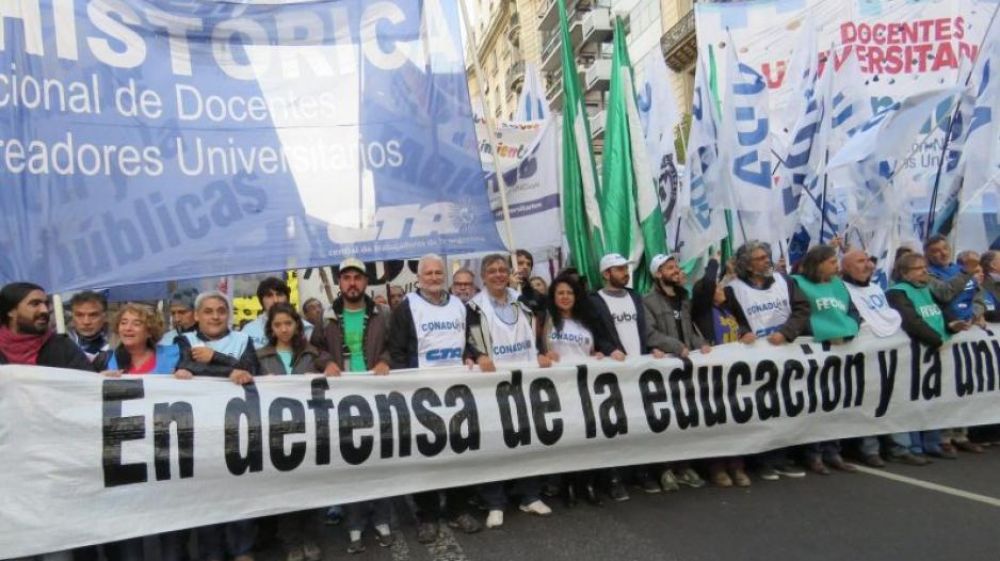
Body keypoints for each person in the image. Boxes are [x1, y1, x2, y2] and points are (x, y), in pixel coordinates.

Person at [387, 254, 488, 543]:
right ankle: (427, 516)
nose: (433, 277)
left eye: (438, 272)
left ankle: (458, 509)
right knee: (427, 457)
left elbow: (469, 341)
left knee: (459, 452)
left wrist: (473, 356)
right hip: (422, 395)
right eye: (428, 273)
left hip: (457, 393)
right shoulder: (407, 307)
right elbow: (396, 352)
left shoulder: (459, 306)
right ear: (419, 277)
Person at [308, 258, 395, 553]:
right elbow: (315, 348)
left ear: (365, 282)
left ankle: (382, 519)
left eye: (357, 277)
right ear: (340, 282)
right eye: (346, 277)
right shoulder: (327, 316)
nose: (352, 283)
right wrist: (328, 362)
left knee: (379, 460)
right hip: (342, 398)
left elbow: (395, 346)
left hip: (376, 395)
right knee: (351, 460)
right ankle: (355, 524)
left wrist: (385, 361)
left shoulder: (382, 313)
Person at [467, 254, 553, 528]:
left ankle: (530, 495)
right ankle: (495, 501)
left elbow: (535, 335)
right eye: (492, 271)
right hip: (492, 386)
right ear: (483, 276)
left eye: (503, 270)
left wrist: (540, 353)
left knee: (529, 438)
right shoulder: (473, 307)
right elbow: (466, 342)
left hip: (525, 381)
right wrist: (478, 355)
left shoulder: (523, 302)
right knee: (495, 442)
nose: (498, 275)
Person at [172, 291, 258, 561]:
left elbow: (251, 369)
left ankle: (242, 550)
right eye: (208, 311)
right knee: (208, 494)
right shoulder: (185, 339)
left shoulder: (243, 339)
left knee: (241, 492)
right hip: (201, 432)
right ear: (197, 316)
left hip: (237, 429)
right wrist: (229, 370)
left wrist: (214, 358)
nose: (215, 316)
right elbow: (185, 366)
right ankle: (213, 553)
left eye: (221, 310)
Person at [724, 241, 809, 481]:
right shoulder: (734, 289)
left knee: (786, 406)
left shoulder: (786, 282)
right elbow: (729, 318)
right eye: (760, 258)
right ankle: (761, 460)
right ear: (748, 266)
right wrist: (741, 331)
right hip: (756, 360)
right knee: (761, 408)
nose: (766, 261)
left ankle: (782, 457)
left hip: (786, 353)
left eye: (767, 256)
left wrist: (787, 332)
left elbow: (802, 309)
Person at [840, 249, 929, 467]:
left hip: (891, 353)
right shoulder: (843, 289)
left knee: (896, 400)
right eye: (860, 261)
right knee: (870, 401)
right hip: (866, 356)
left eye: (868, 260)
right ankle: (869, 449)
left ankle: (899, 447)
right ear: (846, 267)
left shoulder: (876, 288)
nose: (867, 265)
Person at [254, 303, 325, 561]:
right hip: (275, 433)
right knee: (284, 491)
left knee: (309, 487)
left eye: (288, 323)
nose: (283, 329)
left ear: (296, 325)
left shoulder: (312, 353)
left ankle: (310, 538)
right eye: (277, 325)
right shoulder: (259, 356)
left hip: (308, 431)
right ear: (270, 328)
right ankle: (291, 542)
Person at [541, 273, 618, 506]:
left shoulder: (587, 320)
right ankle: (567, 486)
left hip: (584, 387)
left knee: (587, 437)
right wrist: (544, 354)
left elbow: (597, 346)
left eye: (569, 293)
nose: (565, 297)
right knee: (566, 438)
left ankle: (587, 483)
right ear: (553, 296)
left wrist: (599, 354)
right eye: (560, 293)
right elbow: (535, 348)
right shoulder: (546, 319)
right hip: (558, 389)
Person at [588, 253, 659, 499]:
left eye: (625, 268)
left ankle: (642, 471)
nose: (624, 273)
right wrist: (609, 350)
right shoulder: (595, 300)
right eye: (618, 269)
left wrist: (652, 349)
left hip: (639, 370)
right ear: (606, 274)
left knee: (641, 421)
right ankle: (614, 476)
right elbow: (595, 333)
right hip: (612, 373)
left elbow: (643, 330)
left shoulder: (635, 297)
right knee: (614, 425)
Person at [887, 252, 970, 461]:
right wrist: (937, 339)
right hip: (917, 352)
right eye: (919, 268)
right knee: (913, 400)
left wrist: (952, 325)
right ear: (905, 273)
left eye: (925, 267)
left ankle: (932, 442)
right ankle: (914, 447)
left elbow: (944, 311)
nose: (925, 271)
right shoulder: (897, 293)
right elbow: (912, 321)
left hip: (936, 351)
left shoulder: (927, 288)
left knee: (935, 398)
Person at [643, 253, 710, 490]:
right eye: (669, 267)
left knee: (686, 416)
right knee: (665, 419)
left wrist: (699, 343)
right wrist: (675, 347)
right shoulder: (648, 301)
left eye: (676, 266)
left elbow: (688, 329)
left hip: (686, 367)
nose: (675, 270)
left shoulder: (684, 298)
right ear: (658, 274)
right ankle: (664, 468)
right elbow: (650, 333)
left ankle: (684, 465)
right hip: (665, 369)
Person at [791, 245, 860, 475]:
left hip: (841, 351)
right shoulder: (798, 283)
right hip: (815, 351)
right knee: (817, 403)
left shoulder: (840, 286)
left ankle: (833, 451)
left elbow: (852, 313)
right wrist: (825, 332)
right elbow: (801, 314)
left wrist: (849, 331)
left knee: (837, 403)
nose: (836, 265)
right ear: (818, 263)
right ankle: (813, 454)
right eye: (831, 261)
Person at [690, 258, 752, 487]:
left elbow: (742, 326)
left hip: (735, 373)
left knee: (737, 418)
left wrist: (746, 333)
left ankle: (737, 465)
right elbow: (706, 285)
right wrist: (714, 262)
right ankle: (716, 467)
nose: (721, 289)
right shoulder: (703, 311)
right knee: (717, 419)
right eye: (717, 288)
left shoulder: (728, 307)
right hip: (713, 374)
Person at [0, 283, 93, 371]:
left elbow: (87, 382)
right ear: (11, 311)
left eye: (46, 304)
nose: (44, 310)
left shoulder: (63, 347)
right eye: (35, 304)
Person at [97, 304, 181, 375]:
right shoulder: (105, 360)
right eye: (123, 323)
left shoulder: (174, 356)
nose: (128, 328)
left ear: (150, 331)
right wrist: (99, 379)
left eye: (136, 324)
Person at [241, 277, 312, 351]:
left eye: (279, 294)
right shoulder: (248, 331)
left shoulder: (307, 329)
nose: (275, 300)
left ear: (287, 298)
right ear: (261, 301)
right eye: (269, 296)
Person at [67, 290, 111, 362]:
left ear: (105, 317)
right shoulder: (60, 344)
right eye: (80, 315)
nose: (86, 322)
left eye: (93, 315)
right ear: (72, 317)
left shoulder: (120, 345)